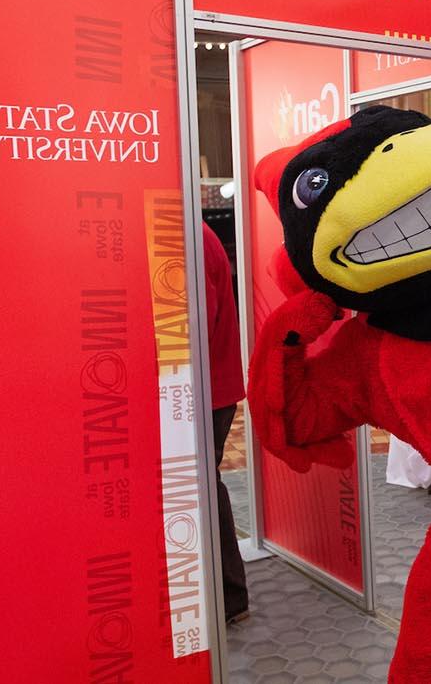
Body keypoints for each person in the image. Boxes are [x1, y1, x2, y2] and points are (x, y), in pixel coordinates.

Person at [200, 221, 249, 624]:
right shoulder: (192, 232)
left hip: (204, 391)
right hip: (209, 388)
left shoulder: (187, 234)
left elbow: (199, 318)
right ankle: (228, 596)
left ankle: (229, 598)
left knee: (202, 487)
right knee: (205, 485)